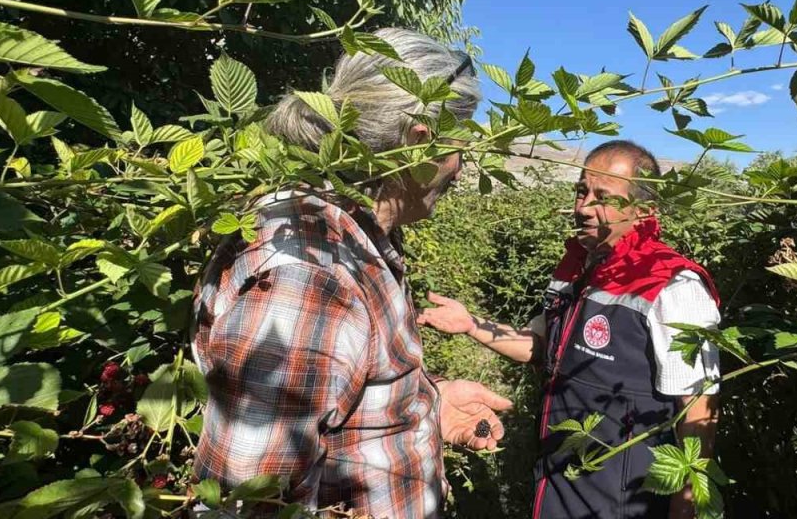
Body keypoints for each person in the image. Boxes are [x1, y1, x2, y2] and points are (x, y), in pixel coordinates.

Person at [191, 28, 512, 519]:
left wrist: (425, 404)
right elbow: (249, 503)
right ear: (417, 145)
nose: (461, 170)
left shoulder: (352, 241)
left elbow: (338, 402)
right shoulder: (313, 276)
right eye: (460, 147)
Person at [418, 140, 722, 519]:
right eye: (581, 191)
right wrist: (471, 324)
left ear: (645, 211)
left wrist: (686, 508)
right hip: (559, 476)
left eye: (602, 197)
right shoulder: (576, 268)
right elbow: (543, 348)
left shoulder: (673, 286)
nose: (583, 207)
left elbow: (697, 408)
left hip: (623, 494)